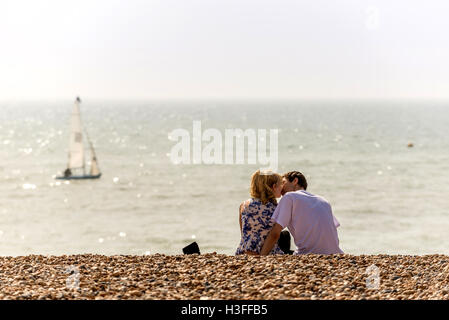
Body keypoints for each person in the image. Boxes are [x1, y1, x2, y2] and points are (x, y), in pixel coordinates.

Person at [260, 171, 343, 255]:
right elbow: (332, 230)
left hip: (308, 254)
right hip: (336, 254)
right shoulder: (324, 200)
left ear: (295, 181)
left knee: (283, 237)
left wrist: (261, 257)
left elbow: (275, 233)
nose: (281, 187)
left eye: (283, 182)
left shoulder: (289, 197)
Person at [235, 170, 285, 255]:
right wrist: (262, 256)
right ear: (274, 186)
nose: (282, 187)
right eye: (281, 184)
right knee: (285, 236)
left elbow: (244, 234)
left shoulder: (243, 205)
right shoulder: (277, 208)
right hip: (268, 253)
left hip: (243, 253)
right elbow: (274, 235)